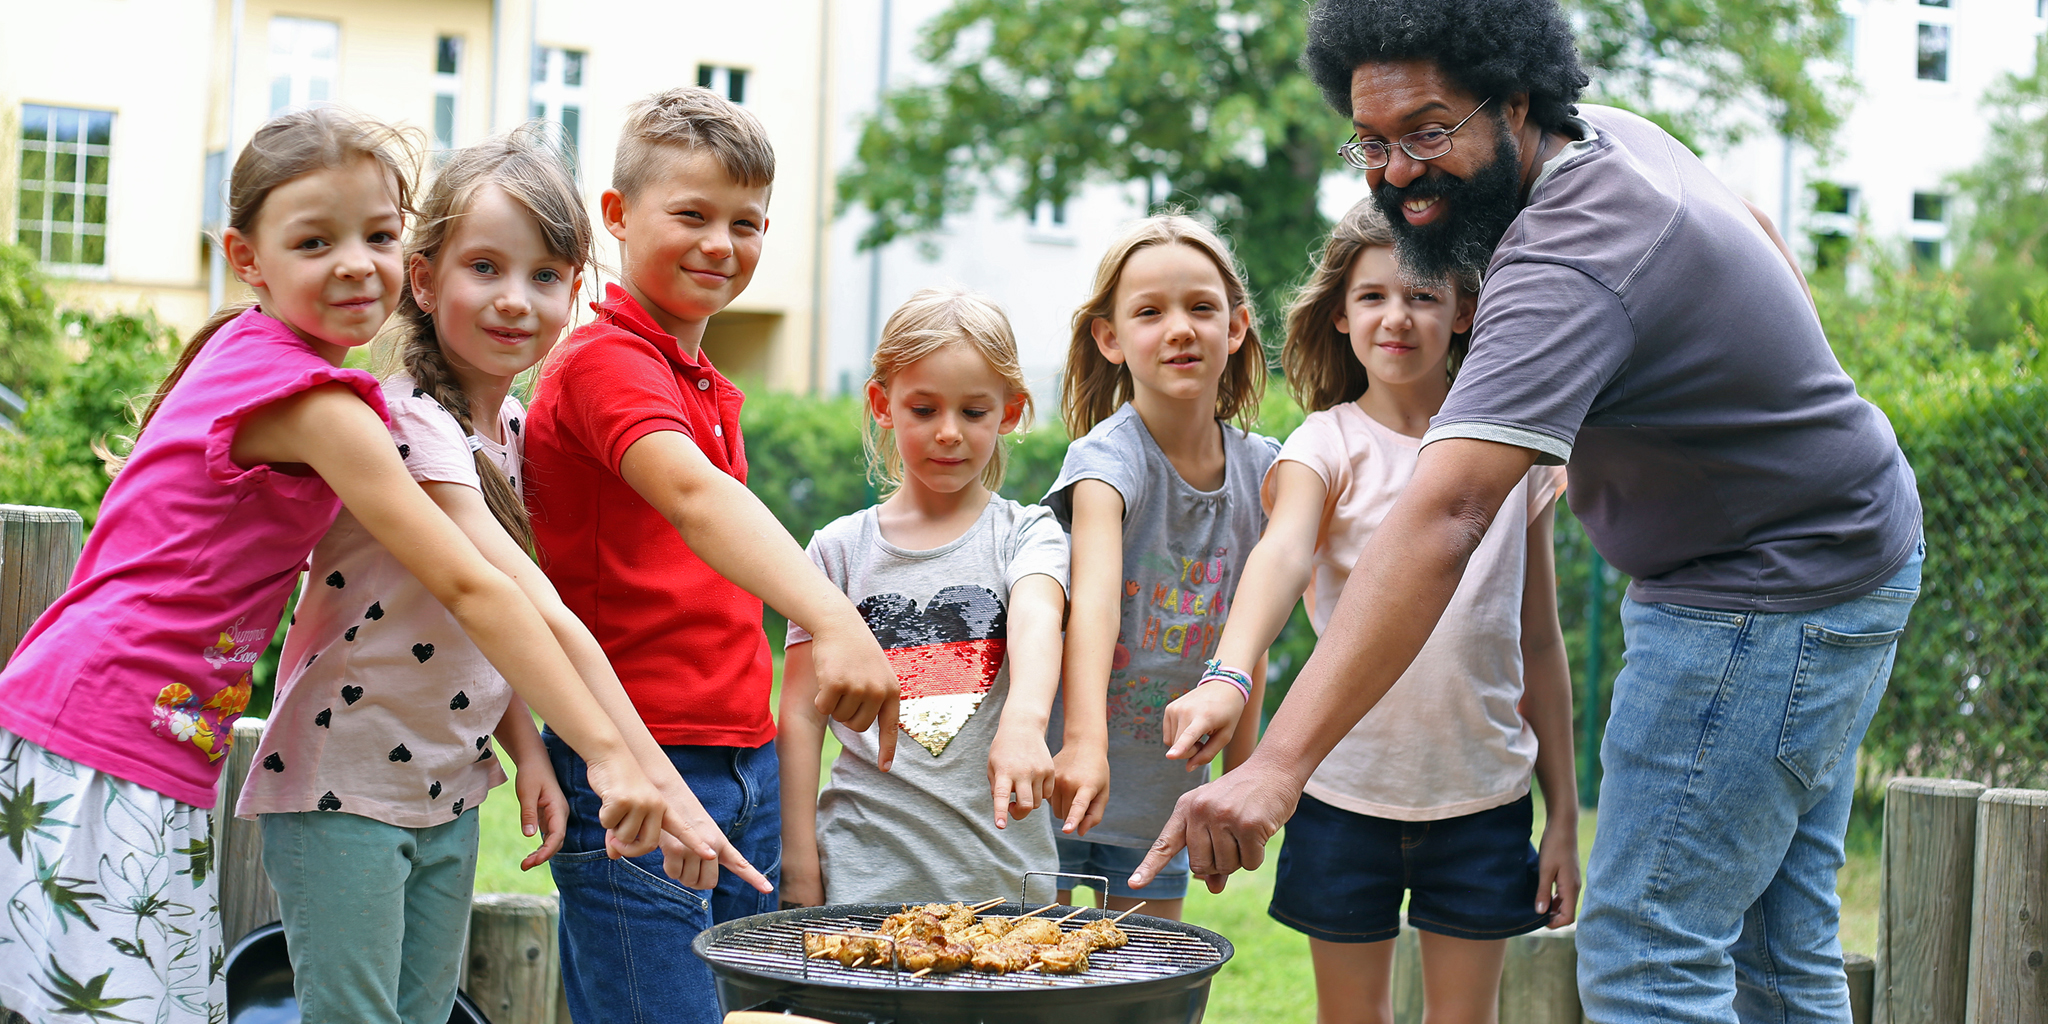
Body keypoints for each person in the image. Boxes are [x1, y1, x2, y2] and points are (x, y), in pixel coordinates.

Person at [1135, 2, 1925, 1022]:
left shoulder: (1565, 253)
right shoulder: (1611, 142)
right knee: (1774, 948)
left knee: (1649, 953)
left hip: (1758, 592)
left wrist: (1277, 766)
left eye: (1427, 130)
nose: (1396, 170)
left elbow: (1448, 511)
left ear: (1513, 101)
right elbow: (1757, 233)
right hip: (1845, 547)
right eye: (1371, 140)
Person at [0, 108, 678, 1024]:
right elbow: (472, 585)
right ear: (249, 259)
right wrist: (605, 753)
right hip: (100, 730)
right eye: (315, 241)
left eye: (378, 235)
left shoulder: (280, 367)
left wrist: (536, 748)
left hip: (143, 741)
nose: (356, 263)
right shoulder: (316, 402)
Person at [234, 131, 769, 1024]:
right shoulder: (408, 424)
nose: (516, 301)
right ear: (424, 277)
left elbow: (493, 627)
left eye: (547, 275)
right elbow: (521, 602)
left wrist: (526, 751)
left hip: (444, 788)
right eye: (485, 268)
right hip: (344, 783)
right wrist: (626, 763)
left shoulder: (512, 432)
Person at [521, 87, 899, 1024]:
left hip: (742, 760)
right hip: (642, 762)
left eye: (747, 222)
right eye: (690, 215)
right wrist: (833, 618)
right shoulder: (604, 362)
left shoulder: (699, 380)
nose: (720, 245)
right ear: (614, 217)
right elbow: (694, 499)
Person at [1165, 199, 1578, 1023]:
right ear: (1343, 316)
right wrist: (1228, 674)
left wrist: (1564, 811)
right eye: (1373, 297)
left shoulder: (1514, 457)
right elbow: (1280, 558)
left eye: (1423, 296)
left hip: (1484, 797)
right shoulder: (1324, 444)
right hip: (1340, 793)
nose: (1398, 316)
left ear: (1464, 310)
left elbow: (1538, 635)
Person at [779, 288, 1069, 907]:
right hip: (862, 872)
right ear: (883, 406)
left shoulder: (1029, 532)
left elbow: (1040, 613)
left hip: (1006, 879)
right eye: (923, 408)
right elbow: (801, 715)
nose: (948, 433)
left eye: (973, 412)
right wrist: (798, 857)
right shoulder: (835, 551)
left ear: (1011, 413)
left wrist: (1025, 721)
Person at [1043, 214, 1277, 921]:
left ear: (1234, 328)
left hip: (1162, 795)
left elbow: (1250, 634)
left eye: (1201, 307)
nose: (1179, 328)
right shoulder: (1106, 462)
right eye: (1150, 311)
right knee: (1033, 977)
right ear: (1110, 339)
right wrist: (1082, 747)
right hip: (1061, 778)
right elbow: (1095, 606)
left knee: (1144, 985)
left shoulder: (1262, 470)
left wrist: (1245, 777)